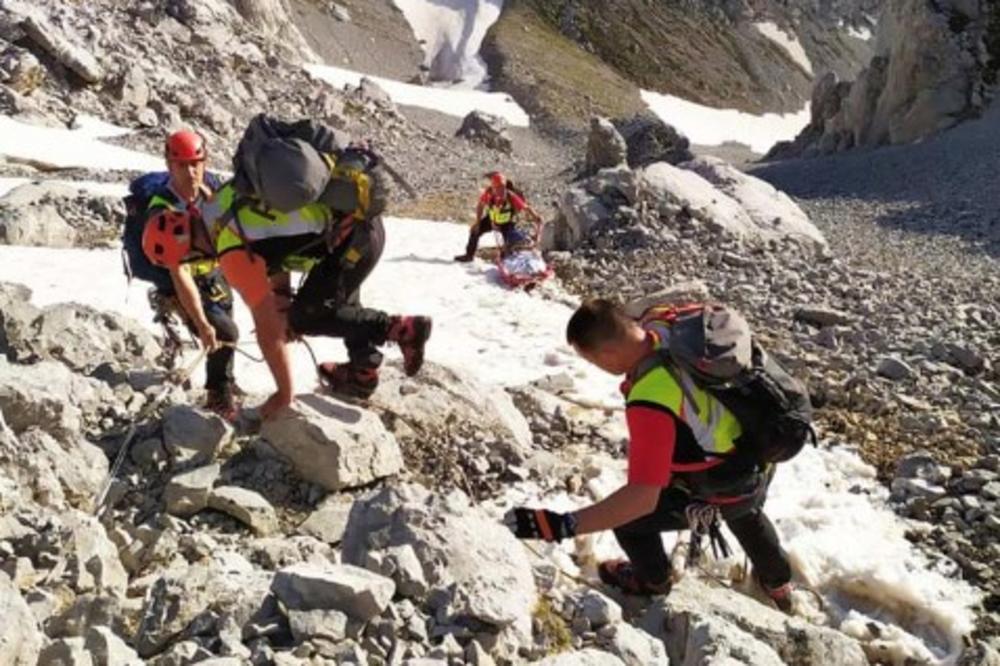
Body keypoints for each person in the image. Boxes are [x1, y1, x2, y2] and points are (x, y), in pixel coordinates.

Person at [504, 299, 794, 611]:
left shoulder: (651, 396)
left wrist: (559, 525)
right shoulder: (666, 321)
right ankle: (778, 584)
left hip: (725, 481)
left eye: (593, 361)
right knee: (748, 515)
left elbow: (641, 499)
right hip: (764, 445)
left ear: (608, 354)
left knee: (629, 522)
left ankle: (653, 581)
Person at [141, 132, 432, 420]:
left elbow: (267, 326)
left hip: (354, 241)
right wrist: (281, 299)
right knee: (330, 298)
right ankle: (361, 374)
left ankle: (400, 329)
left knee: (307, 317)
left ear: (192, 255)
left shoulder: (230, 251)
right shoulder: (219, 202)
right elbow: (274, 240)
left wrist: (284, 393)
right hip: (358, 223)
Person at [137, 129, 240, 420]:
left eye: (196, 164)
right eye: (182, 165)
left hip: (213, 273)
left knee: (226, 327)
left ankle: (224, 382)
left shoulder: (210, 189)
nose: (190, 171)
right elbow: (178, 269)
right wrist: (201, 323)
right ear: (170, 165)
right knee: (223, 331)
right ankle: (218, 395)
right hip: (179, 282)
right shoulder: (163, 210)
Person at [453, 171, 544, 263]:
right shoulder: (489, 194)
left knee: (510, 243)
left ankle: (505, 260)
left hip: (506, 223)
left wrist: (536, 217)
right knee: (475, 232)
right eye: (497, 188)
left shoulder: (510, 196)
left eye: (502, 187)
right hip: (491, 220)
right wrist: (478, 222)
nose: (500, 190)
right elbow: (480, 205)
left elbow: (525, 207)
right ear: (493, 188)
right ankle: (469, 255)